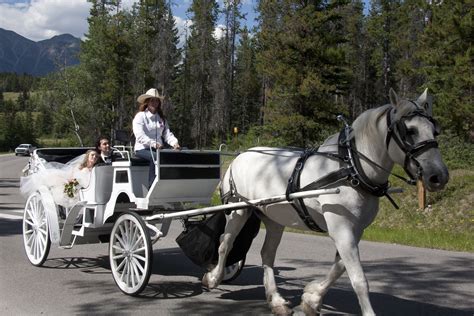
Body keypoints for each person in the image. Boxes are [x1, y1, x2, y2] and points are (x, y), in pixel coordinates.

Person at [133, 88, 180, 187]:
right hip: (142, 149)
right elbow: (140, 136)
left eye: (156, 100)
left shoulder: (161, 118)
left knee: (178, 154)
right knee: (155, 157)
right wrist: (153, 144)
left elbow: (167, 134)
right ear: (147, 102)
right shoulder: (140, 116)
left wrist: (175, 143)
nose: (155, 103)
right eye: (152, 100)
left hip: (158, 149)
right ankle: (152, 187)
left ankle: (172, 184)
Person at [20, 149, 98, 208]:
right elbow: (72, 176)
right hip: (75, 187)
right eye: (92, 155)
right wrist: (72, 183)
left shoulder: (95, 169)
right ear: (87, 156)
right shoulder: (79, 166)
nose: (94, 157)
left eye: (96, 156)